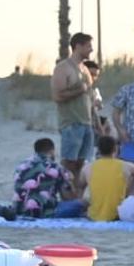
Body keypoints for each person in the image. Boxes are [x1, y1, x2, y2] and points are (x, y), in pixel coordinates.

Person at [51, 32, 97, 186]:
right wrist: (80, 90)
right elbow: (58, 96)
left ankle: (77, 195)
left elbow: (89, 96)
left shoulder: (84, 69)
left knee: (82, 163)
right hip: (71, 123)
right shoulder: (63, 68)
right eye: (88, 46)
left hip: (86, 123)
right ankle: (65, 194)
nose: (91, 50)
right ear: (78, 46)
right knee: (69, 163)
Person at [10, 138, 74, 218]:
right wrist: (70, 181)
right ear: (52, 151)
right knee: (80, 204)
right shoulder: (56, 167)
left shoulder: (21, 165)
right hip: (45, 212)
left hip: (18, 209)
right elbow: (67, 197)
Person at [83, 135, 134, 222]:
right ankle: (129, 201)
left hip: (93, 215)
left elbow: (80, 185)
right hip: (119, 214)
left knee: (83, 191)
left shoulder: (88, 167)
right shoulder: (127, 166)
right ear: (115, 149)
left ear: (98, 150)